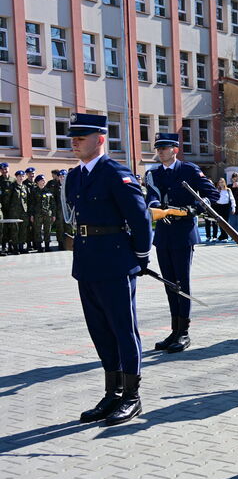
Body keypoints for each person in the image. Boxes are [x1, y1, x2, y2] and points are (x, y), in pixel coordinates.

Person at [63, 112, 152, 425]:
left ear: (100, 139)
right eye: (72, 136)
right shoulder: (74, 176)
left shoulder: (116, 173)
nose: (74, 141)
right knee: (100, 331)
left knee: (123, 330)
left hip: (115, 263)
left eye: (81, 137)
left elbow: (141, 219)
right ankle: (112, 393)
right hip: (87, 263)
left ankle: (132, 396)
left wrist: (140, 258)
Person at [144, 132, 219, 353]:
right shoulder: (153, 173)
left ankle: (184, 332)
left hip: (183, 233)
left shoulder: (189, 169)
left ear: (175, 150)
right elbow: (151, 196)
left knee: (181, 283)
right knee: (169, 284)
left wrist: (193, 209)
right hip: (163, 235)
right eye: (158, 148)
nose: (161, 152)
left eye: (165, 148)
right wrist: (157, 206)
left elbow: (211, 195)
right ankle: (174, 330)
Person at [4, 170, 29, 254]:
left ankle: (21, 247)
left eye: (22, 176)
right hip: (14, 212)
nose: (21, 178)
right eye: (19, 176)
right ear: (16, 177)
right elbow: (7, 200)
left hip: (24, 212)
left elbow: (27, 200)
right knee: (15, 230)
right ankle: (15, 248)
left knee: (23, 230)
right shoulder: (12, 187)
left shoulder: (25, 187)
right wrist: (9, 210)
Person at [30, 175, 56, 252]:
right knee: (37, 231)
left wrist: (53, 214)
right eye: (42, 180)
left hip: (47, 214)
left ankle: (47, 246)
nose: (44, 181)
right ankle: (39, 247)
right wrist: (31, 215)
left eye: (44, 180)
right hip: (37, 214)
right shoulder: (34, 191)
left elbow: (52, 204)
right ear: (37, 182)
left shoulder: (48, 191)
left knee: (47, 230)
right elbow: (31, 204)